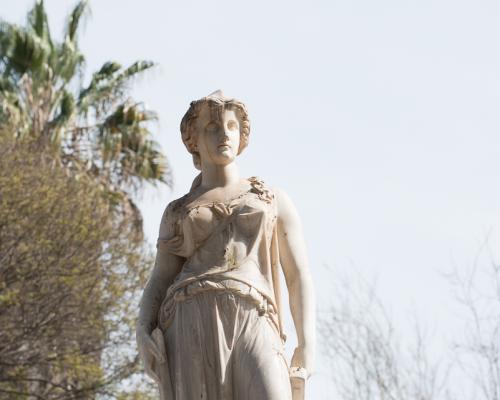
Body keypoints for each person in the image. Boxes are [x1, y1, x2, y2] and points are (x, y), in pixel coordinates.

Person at [136, 91, 315, 400]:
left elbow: (298, 276)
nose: (224, 134)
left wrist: (306, 342)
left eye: (232, 126)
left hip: (253, 312)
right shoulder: (179, 211)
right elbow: (161, 278)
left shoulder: (270, 198)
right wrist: (142, 328)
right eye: (213, 127)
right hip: (190, 315)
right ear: (193, 139)